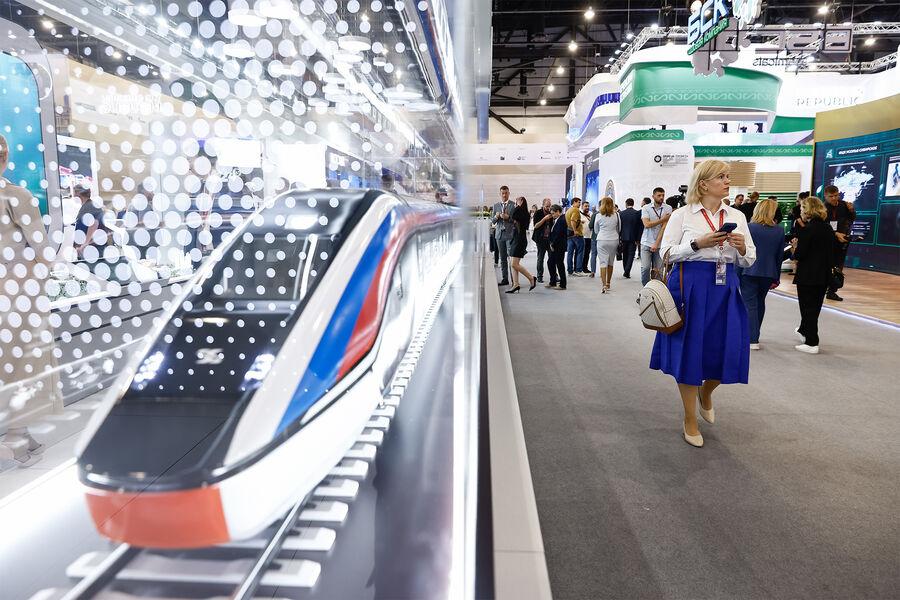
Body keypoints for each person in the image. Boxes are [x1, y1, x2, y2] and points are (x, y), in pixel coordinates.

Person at [650, 159, 757, 448]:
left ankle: (706, 391)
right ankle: (689, 419)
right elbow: (666, 254)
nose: (727, 181)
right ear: (703, 184)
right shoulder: (682, 215)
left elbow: (750, 259)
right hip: (690, 287)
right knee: (688, 352)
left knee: (728, 347)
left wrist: (742, 248)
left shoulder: (737, 215)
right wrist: (698, 244)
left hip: (725, 286)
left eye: (727, 176)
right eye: (721, 176)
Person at [0, 134, 62, 465]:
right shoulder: (16, 196)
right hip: (16, 296)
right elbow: (42, 251)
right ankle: (16, 436)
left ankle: (20, 435)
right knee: (23, 364)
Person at [790, 196, 835, 354]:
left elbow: (800, 254)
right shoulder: (827, 228)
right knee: (815, 308)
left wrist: (795, 247)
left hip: (808, 275)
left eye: (802, 208)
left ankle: (812, 342)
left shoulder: (808, 229)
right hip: (823, 275)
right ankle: (804, 330)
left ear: (808, 210)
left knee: (807, 308)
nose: (801, 211)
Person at [738, 199, 785, 350]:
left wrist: (736, 273)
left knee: (749, 304)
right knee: (760, 302)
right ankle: (755, 334)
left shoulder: (749, 228)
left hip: (748, 270)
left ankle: (752, 338)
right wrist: (777, 277)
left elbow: (741, 252)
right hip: (769, 272)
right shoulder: (779, 230)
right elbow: (779, 256)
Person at [823, 184, 854, 301]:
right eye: (831, 196)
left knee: (839, 266)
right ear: (826, 196)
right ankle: (823, 288)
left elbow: (851, 219)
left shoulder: (844, 205)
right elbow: (822, 225)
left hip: (842, 241)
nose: (834, 198)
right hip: (828, 241)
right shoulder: (822, 208)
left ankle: (832, 291)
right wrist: (835, 233)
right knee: (827, 265)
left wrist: (851, 210)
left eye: (836, 195)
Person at [640, 187, 672, 286]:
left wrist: (656, 244)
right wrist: (662, 219)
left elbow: (664, 227)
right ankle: (646, 288)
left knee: (659, 271)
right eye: (659, 195)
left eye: (663, 195)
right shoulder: (646, 208)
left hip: (660, 244)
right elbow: (647, 224)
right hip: (646, 242)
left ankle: (657, 290)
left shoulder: (668, 208)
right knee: (645, 268)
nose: (661, 197)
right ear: (653, 196)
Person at [506, 196, 536, 293]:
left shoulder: (523, 213)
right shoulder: (520, 211)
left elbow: (513, 215)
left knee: (514, 264)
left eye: (517, 201)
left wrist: (518, 206)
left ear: (522, 201)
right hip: (516, 239)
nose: (515, 203)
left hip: (520, 240)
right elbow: (513, 217)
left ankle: (531, 278)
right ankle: (516, 284)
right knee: (514, 264)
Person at [593, 196, 620, 293]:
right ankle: (608, 283)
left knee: (603, 263)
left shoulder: (598, 215)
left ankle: (604, 285)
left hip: (602, 240)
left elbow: (596, 230)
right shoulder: (616, 214)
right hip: (614, 239)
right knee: (610, 262)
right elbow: (619, 228)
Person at [491, 185, 515, 286]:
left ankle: (514, 281)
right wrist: (496, 217)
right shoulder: (496, 205)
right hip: (499, 235)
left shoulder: (513, 205)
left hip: (510, 235)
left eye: (506, 193)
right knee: (503, 258)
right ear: (500, 194)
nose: (504, 195)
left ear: (509, 193)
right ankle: (505, 279)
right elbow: (492, 221)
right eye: (502, 193)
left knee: (512, 259)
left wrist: (508, 217)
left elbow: (515, 220)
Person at [618, 198, 643, 278]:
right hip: (633, 238)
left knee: (625, 254)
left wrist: (619, 237)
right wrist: (638, 239)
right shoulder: (637, 213)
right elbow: (640, 227)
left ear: (626, 204)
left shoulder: (621, 213)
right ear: (633, 204)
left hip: (623, 237)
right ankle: (627, 271)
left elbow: (619, 226)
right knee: (631, 255)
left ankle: (625, 269)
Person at [532, 198, 553, 283]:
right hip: (540, 239)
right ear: (543, 205)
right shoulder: (538, 213)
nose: (548, 208)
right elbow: (536, 226)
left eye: (549, 206)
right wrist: (544, 219)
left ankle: (554, 275)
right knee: (540, 258)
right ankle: (539, 276)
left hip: (549, 239)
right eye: (547, 206)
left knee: (552, 258)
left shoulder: (552, 212)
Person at [546, 204, 567, 290]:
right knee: (550, 263)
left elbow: (558, 234)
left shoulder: (562, 220)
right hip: (555, 245)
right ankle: (553, 282)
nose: (552, 215)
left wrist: (552, 244)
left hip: (559, 246)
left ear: (558, 211)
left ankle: (563, 284)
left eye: (553, 213)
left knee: (559, 264)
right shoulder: (557, 220)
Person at [565, 198, 584, 276]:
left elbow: (570, 220)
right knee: (580, 251)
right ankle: (578, 270)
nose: (580, 204)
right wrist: (575, 230)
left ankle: (570, 271)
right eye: (578, 202)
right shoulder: (576, 210)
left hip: (569, 234)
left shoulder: (568, 210)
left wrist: (579, 222)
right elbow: (573, 220)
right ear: (574, 202)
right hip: (577, 234)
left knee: (570, 253)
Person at [581, 202, 592, 275]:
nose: (587, 207)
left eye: (588, 206)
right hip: (582, 236)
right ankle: (579, 268)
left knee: (587, 253)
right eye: (585, 206)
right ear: (582, 207)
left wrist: (590, 219)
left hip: (589, 237)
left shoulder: (591, 213)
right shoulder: (579, 214)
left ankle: (585, 268)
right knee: (581, 253)